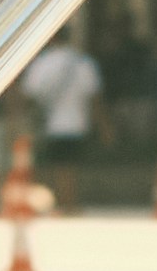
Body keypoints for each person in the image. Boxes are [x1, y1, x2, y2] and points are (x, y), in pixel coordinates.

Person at [16, 27, 101, 206]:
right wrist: (102, 124)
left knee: (57, 165)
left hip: (52, 123)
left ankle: (61, 201)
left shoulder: (42, 63)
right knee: (71, 166)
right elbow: (94, 96)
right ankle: (70, 201)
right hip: (77, 122)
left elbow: (28, 94)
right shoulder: (83, 62)